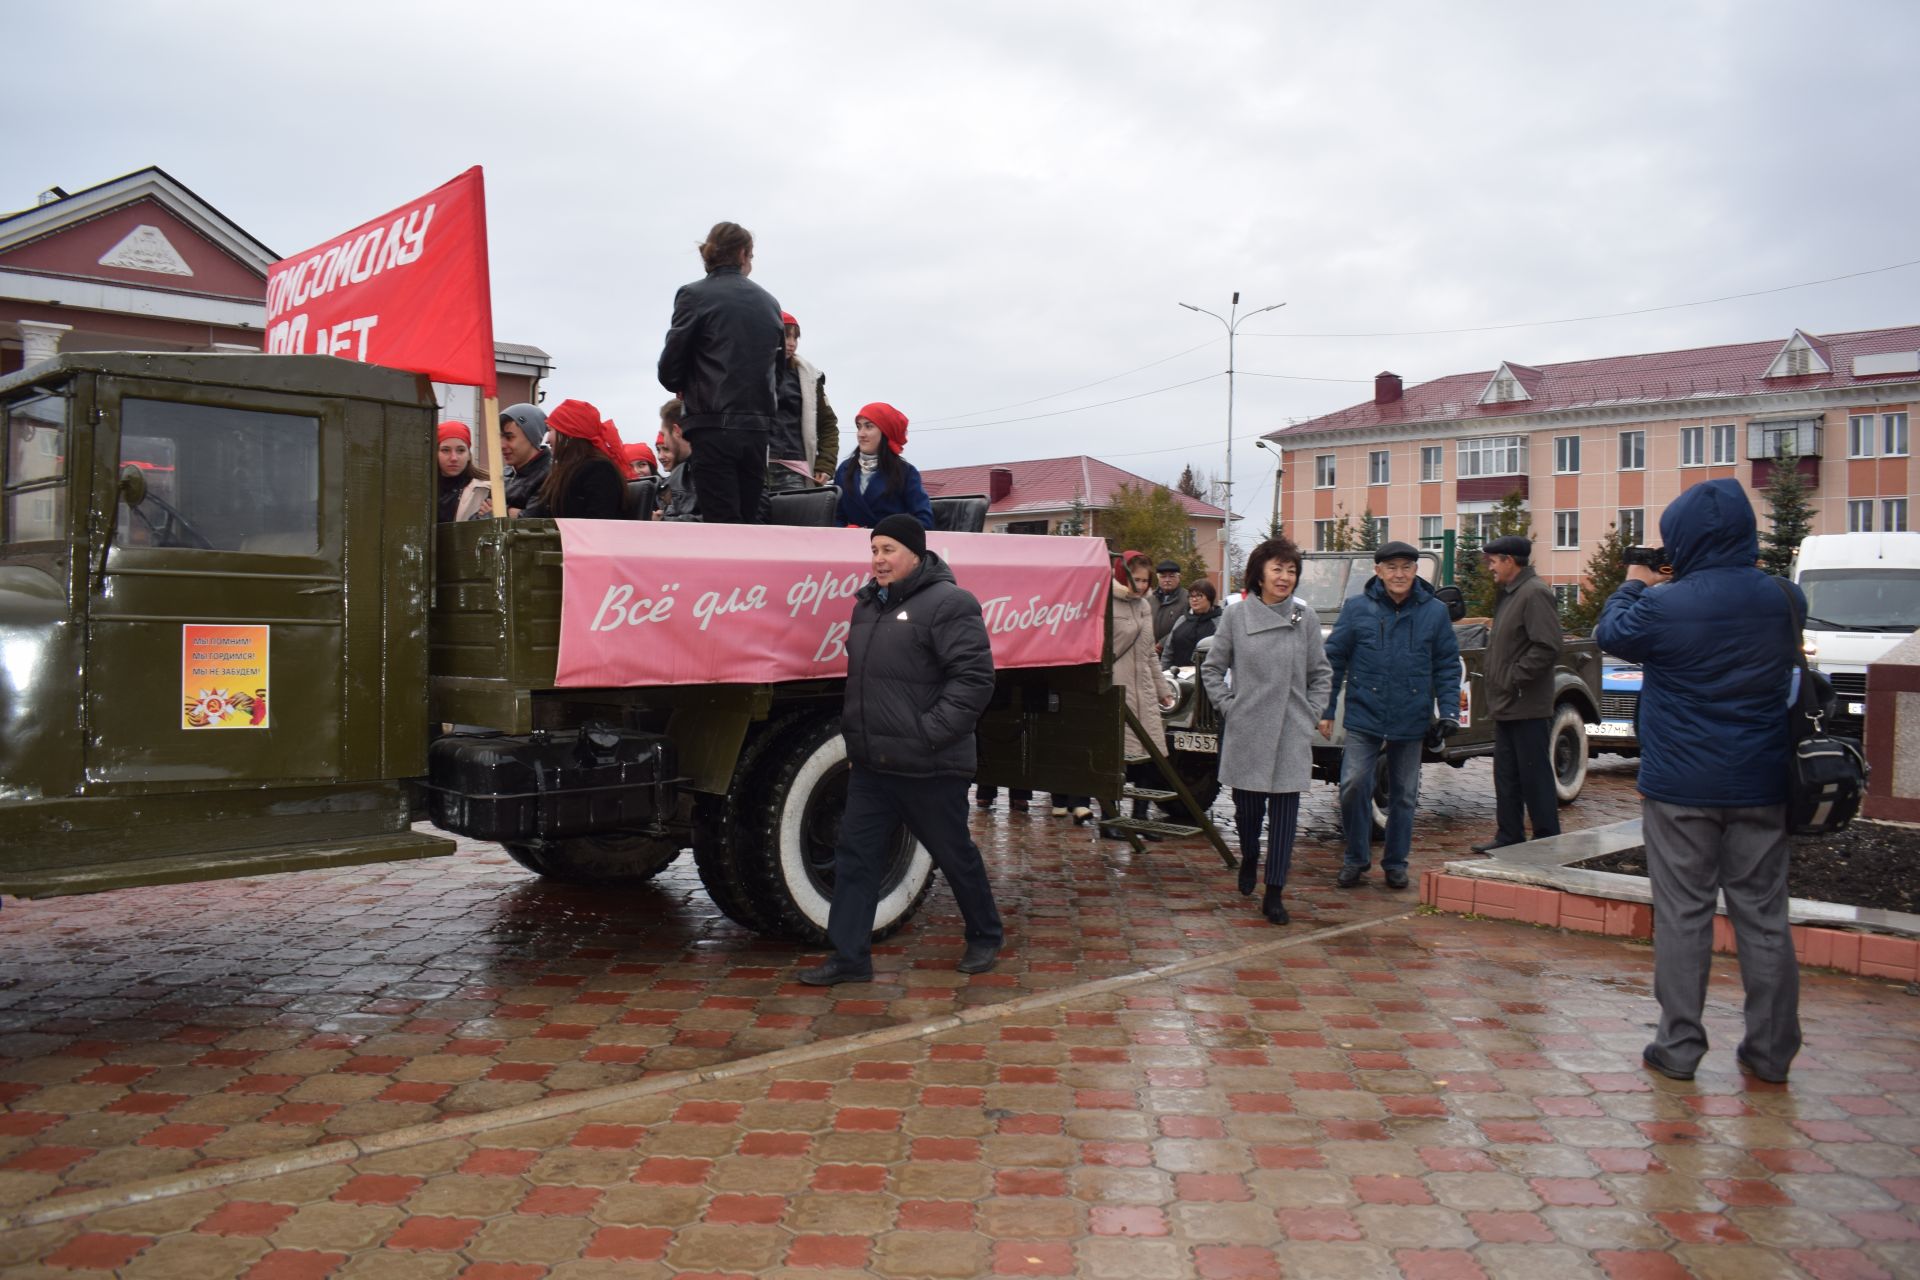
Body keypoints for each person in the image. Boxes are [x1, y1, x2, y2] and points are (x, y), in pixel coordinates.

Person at [1596, 479, 1803, 1084]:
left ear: (1682, 539)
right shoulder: (1785, 598)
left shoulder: (1664, 604)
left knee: (1684, 914)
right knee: (1764, 916)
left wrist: (1636, 577)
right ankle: (1770, 1053)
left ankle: (1679, 1046)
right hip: (1762, 783)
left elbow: (1613, 632)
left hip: (1681, 787)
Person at [800, 513, 1004, 985]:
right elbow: (864, 684)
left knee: (953, 853)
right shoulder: (868, 606)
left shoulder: (950, 603)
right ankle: (850, 957)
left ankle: (985, 934)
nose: (878, 560)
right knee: (856, 857)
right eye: (874, 550)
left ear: (916, 553)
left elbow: (974, 681)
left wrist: (928, 733)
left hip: (930, 765)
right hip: (874, 766)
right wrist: (859, 740)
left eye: (888, 550)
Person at [1201, 538, 1333, 923]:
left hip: (1291, 729)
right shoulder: (1236, 616)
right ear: (1259, 573)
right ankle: (1249, 858)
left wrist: (1309, 712)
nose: (1285, 577)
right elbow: (1212, 668)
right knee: (1247, 813)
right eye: (1277, 569)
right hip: (1248, 729)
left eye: (1291, 570)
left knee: (1286, 817)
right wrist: (1229, 706)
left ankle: (1274, 891)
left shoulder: (1302, 618)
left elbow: (1320, 673)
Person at [1320, 541, 1461, 890]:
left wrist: (1449, 711)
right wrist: (1324, 710)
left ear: (1416, 571)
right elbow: (1333, 661)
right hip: (1364, 713)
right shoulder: (1356, 609)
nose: (1399, 574)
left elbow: (1446, 665)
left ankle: (1396, 862)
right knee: (1353, 785)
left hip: (1411, 716)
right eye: (1392, 567)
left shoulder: (1434, 612)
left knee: (1404, 794)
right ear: (1378, 570)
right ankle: (1356, 858)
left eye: (1406, 567)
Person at [656, 221, 785, 525]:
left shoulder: (693, 295)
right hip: (757, 427)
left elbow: (669, 369)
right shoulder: (769, 303)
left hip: (712, 424)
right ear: (743, 254)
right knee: (748, 518)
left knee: (721, 522)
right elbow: (778, 373)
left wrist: (685, 382)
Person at [1476, 534, 1563, 851]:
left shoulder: (1534, 593)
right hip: (1508, 703)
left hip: (1525, 703)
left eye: (1494, 561)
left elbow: (1548, 646)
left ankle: (1545, 838)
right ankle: (1509, 835)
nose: (1491, 568)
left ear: (1510, 561)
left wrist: (1514, 678)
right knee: (1507, 775)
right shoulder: (1513, 593)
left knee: (1533, 775)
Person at [1100, 552, 1178, 841]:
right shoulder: (1106, 600)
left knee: (1149, 756)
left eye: (1147, 580)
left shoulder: (1145, 606)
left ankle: (1141, 816)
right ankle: (1109, 818)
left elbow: (1149, 654)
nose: (1142, 585)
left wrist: (1163, 691)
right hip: (1116, 687)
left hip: (1143, 688)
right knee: (1116, 757)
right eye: (1137, 579)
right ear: (1123, 575)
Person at [519, 399, 628, 520]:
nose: (547, 440)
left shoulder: (600, 470)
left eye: (550, 430)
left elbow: (599, 524)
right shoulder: (564, 471)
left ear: (569, 433)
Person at [834, 402, 933, 529]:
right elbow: (836, 516)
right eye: (859, 427)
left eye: (868, 427)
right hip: (850, 545)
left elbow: (924, 521)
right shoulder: (844, 469)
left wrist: (891, 536)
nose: (861, 434)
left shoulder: (905, 472)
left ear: (886, 432)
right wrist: (845, 533)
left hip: (890, 546)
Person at [772, 311, 839, 486]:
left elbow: (828, 425)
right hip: (755, 467)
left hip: (796, 469)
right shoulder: (748, 371)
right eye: (786, 336)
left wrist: (825, 464)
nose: (792, 343)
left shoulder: (810, 377)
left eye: (796, 338)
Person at [495, 403, 552, 516]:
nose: (502, 445)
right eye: (500, 437)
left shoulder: (550, 476)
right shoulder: (505, 472)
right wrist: (511, 513)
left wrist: (500, 511)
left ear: (531, 437)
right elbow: (478, 516)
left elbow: (532, 523)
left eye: (509, 437)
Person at [1161, 580, 1224, 670]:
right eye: (1191, 596)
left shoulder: (1220, 622)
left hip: (1206, 678)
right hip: (1178, 676)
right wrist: (1164, 673)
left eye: (1199, 596)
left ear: (1210, 598)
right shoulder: (1182, 620)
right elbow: (1168, 650)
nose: (1194, 599)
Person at [435, 422, 489, 522]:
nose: (454, 458)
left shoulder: (485, 490)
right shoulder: (420, 490)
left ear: (469, 454)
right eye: (446, 450)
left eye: (460, 450)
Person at [655, 398, 698, 521]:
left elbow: (717, 520)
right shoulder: (679, 475)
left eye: (664, 435)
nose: (665, 442)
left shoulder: (711, 469)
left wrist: (663, 522)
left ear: (676, 431)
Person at [1150, 560, 1187, 648]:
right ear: (1158, 578)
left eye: (1171, 576)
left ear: (1179, 578)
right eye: (1163, 576)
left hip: (1174, 651)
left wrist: (1163, 644)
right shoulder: (1149, 598)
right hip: (1148, 651)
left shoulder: (1187, 599)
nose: (1167, 580)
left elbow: (1185, 627)